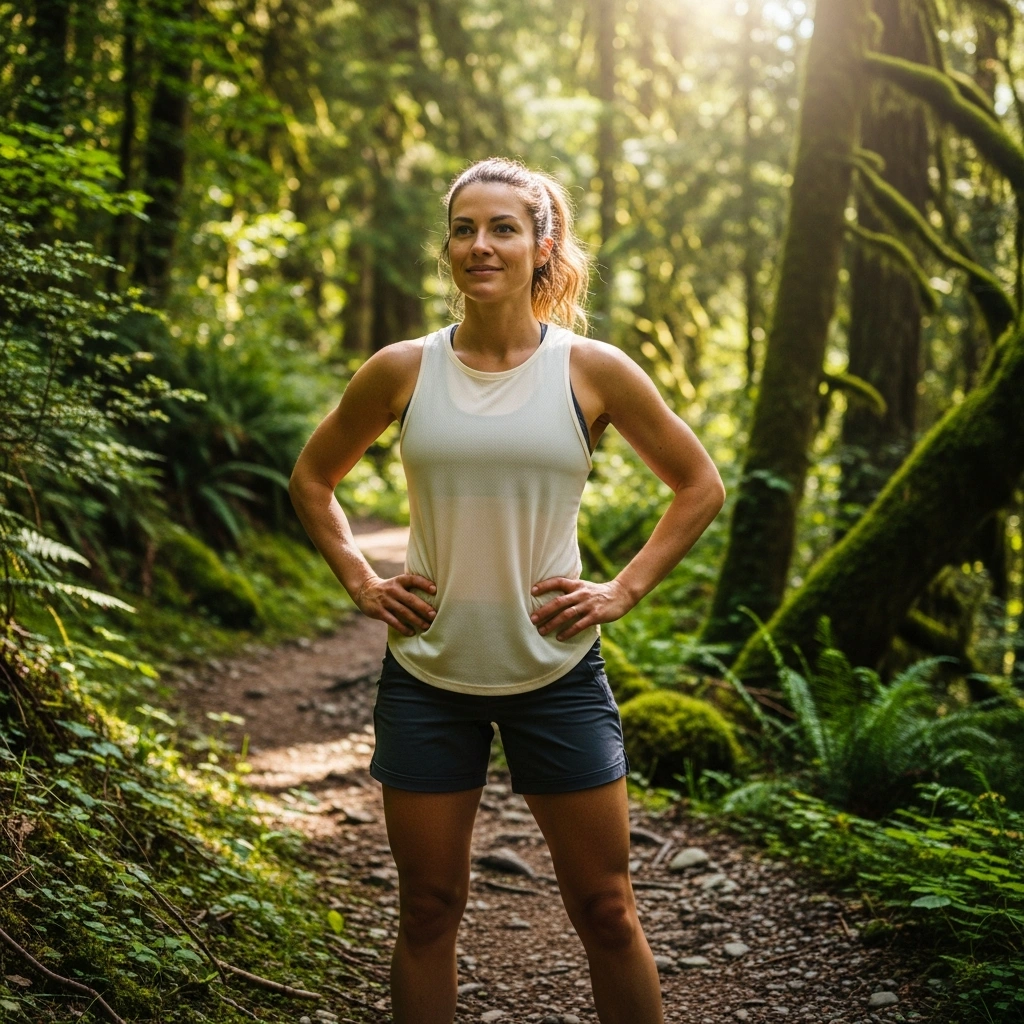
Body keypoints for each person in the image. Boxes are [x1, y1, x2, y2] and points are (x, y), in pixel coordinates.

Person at [289, 157, 726, 1024]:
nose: (480, 245)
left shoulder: (592, 369)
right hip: (427, 676)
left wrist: (623, 590)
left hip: (558, 674)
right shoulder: (402, 369)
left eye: (503, 228)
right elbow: (312, 479)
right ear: (448, 246)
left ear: (541, 246)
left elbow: (699, 485)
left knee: (607, 909)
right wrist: (361, 580)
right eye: (464, 229)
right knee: (427, 911)